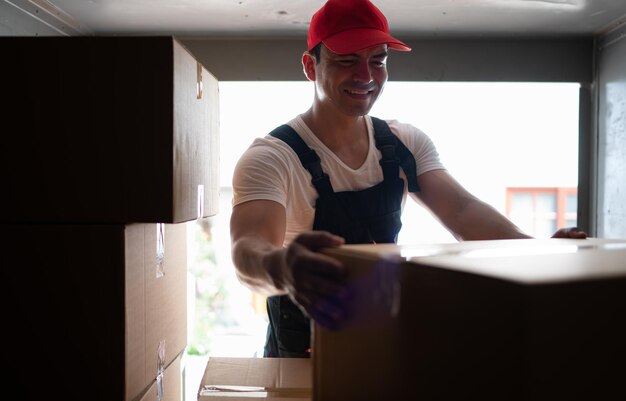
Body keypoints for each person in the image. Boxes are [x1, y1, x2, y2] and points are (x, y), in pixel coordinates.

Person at [229, 0, 587, 358]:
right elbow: (248, 251)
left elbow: (462, 211)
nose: (366, 76)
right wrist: (284, 269)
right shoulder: (272, 158)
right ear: (311, 66)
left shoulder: (402, 143)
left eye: (378, 60)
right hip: (300, 356)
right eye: (347, 59)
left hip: (380, 342)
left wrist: (538, 251)